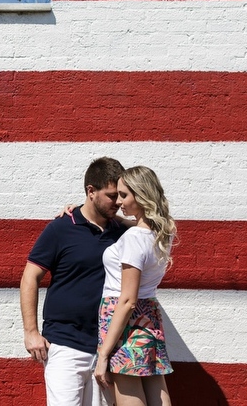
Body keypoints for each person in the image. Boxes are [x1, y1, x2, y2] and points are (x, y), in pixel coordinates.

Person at [19, 157, 127, 406]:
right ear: (91, 191)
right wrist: (31, 332)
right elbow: (30, 277)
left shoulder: (121, 233)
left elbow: (156, 227)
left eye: (121, 196)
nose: (119, 203)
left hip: (107, 349)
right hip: (66, 345)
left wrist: (121, 220)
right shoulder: (61, 229)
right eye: (112, 196)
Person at [94, 166, 177, 406]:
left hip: (124, 318)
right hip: (148, 315)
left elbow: (128, 300)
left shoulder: (133, 239)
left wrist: (103, 355)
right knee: (155, 386)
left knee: (128, 390)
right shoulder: (162, 232)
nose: (118, 201)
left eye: (124, 195)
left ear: (141, 196)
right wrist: (121, 219)